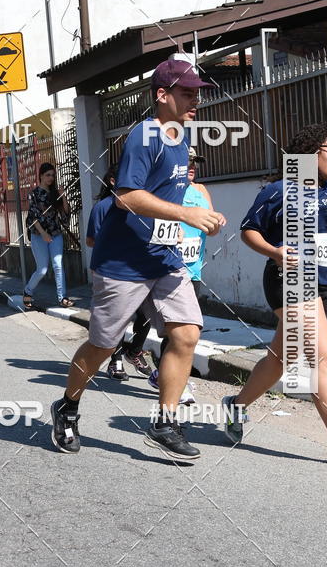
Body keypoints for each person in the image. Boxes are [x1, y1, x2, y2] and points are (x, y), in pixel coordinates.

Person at [50, 58, 224, 459]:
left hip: (163, 259)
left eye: (197, 92)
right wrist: (187, 214)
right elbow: (127, 196)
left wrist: (201, 215)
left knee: (186, 334)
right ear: (162, 95)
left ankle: (165, 421)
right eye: (186, 92)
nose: (195, 99)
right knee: (103, 345)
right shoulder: (146, 136)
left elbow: (168, 196)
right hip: (123, 263)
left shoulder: (181, 136)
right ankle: (68, 405)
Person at [223, 122, 327, 464]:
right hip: (289, 278)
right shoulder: (279, 190)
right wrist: (275, 252)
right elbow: (249, 231)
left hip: (323, 286)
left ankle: (235, 406)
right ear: (311, 153)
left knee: (282, 359)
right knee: (325, 357)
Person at [147, 146, 225, 403]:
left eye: (195, 162)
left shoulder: (201, 190)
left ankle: (163, 373)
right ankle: (177, 383)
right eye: (187, 161)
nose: (192, 166)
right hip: (168, 269)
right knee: (177, 332)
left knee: (187, 328)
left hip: (193, 269)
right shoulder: (163, 191)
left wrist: (216, 223)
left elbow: (211, 230)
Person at [86, 165, 153, 381]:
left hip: (142, 270)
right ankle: (115, 360)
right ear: (114, 181)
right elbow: (91, 240)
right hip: (114, 272)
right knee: (119, 319)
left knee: (145, 316)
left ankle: (134, 351)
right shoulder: (103, 207)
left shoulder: (144, 206)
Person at [23, 162, 74, 309]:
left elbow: (65, 214)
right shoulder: (34, 194)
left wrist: (63, 197)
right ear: (41, 176)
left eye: (52, 175)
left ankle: (62, 298)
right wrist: (43, 233)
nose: (51, 178)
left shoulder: (55, 193)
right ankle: (28, 291)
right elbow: (33, 217)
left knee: (58, 265)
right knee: (42, 269)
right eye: (48, 175)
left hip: (56, 233)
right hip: (39, 235)